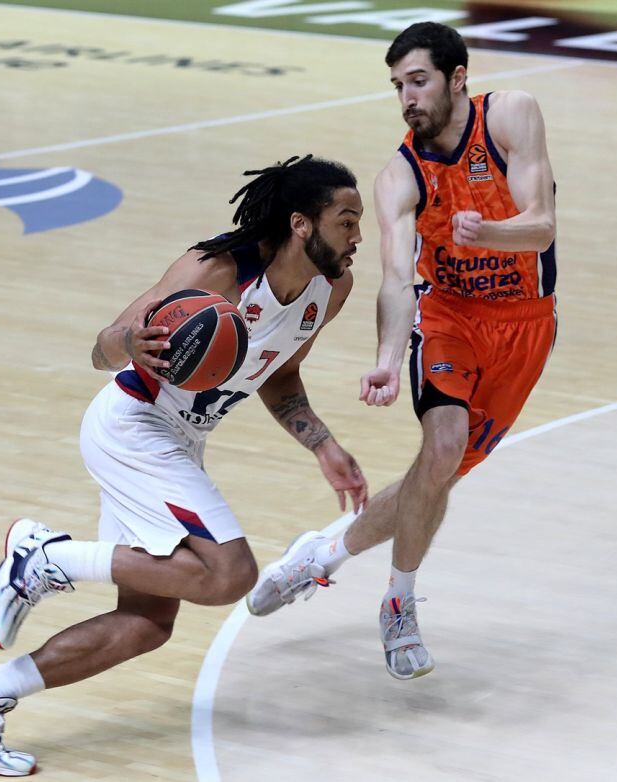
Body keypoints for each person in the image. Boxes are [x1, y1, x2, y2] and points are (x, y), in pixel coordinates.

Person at [0, 155, 368, 776]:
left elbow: (282, 375)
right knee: (229, 572)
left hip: (184, 440)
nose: (357, 237)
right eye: (346, 221)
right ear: (300, 223)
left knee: (145, 622)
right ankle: (45, 559)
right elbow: (103, 347)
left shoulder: (331, 290)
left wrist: (322, 445)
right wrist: (131, 342)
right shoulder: (214, 273)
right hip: (134, 426)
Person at [247, 23, 558, 682]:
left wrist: (491, 232)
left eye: (417, 81)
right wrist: (389, 355)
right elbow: (395, 277)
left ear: (457, 77)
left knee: (435, 480)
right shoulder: (399, 176)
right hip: (449, 319)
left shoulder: (511, 115)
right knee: (440, 447)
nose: (407, 98)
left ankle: (322, 553)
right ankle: (399, 605)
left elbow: (541, 227)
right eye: (397, 86)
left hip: (526, 326)